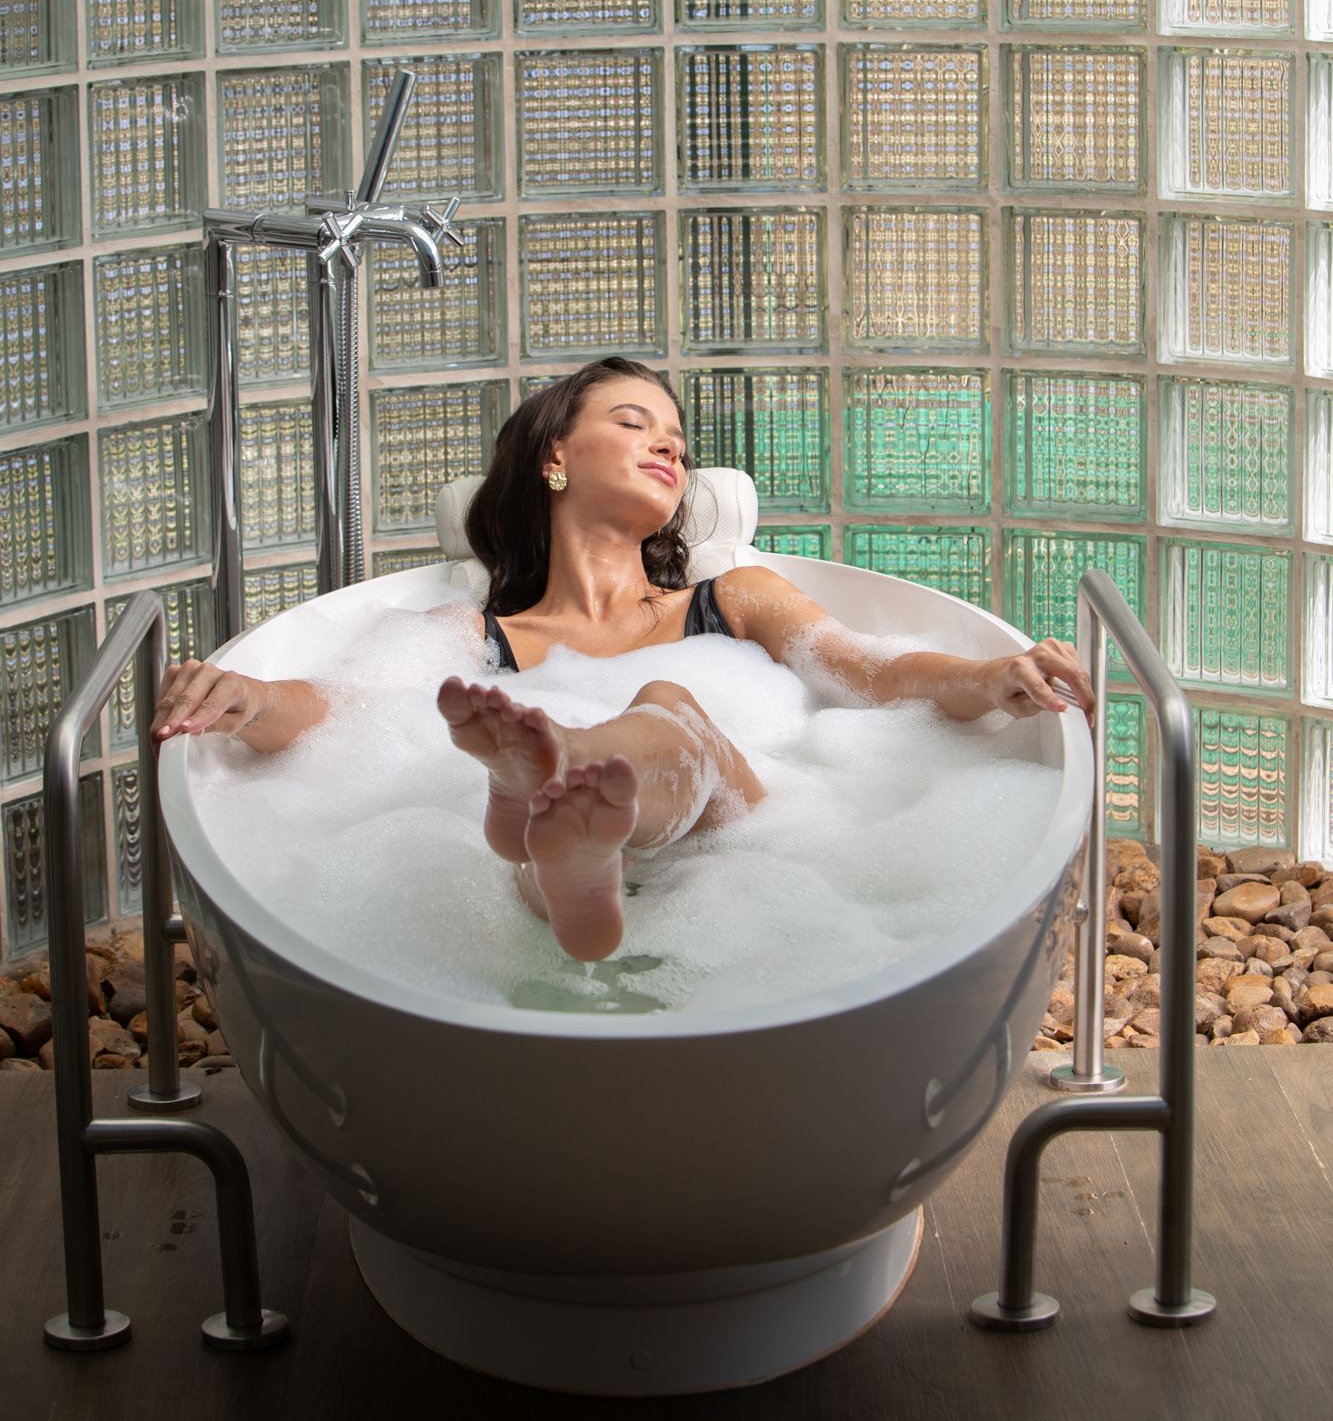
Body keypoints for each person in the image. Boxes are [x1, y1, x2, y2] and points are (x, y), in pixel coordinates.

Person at [152, 357, 1094, 966]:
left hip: (746, 839)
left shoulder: (732, 601)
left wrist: (989, 680)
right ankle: (562, 856)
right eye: (637, 423)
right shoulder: (469, 636)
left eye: (677, 442)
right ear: (554, 457)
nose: (670, 446)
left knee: (669, 695)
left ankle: (552, 783)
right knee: (574, 808)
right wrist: (242, 694)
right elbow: (334, 707)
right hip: (570, 885)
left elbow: (871, 674)